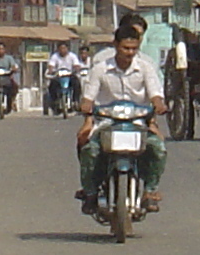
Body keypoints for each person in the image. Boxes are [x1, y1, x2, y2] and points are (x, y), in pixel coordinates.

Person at [78, 13, 168, 213]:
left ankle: (150, 191)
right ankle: (90, 191)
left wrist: (159, 104)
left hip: (138, 122)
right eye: (125, 48)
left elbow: (155, 93)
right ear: (116, 46)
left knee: (158, 148)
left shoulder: (146, 67)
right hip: (106, 122)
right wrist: (86, 106)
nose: (129, 53)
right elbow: (89, 96)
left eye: (134, 49)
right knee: (90, 150)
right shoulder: (100, 68)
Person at [44, 41, 83, 117]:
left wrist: (76, 69)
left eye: (64, 48)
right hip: (58, 75)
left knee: (76, 82)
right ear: (58, 49)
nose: (63, 50)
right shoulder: (55, 56)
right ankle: (55, 101)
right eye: (61, 48)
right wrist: (51, 70)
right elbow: (51, 66)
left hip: (70, 74)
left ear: (67, 49)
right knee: (52, 84)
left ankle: (75, 100)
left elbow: (76, 65)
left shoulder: (72, 56)